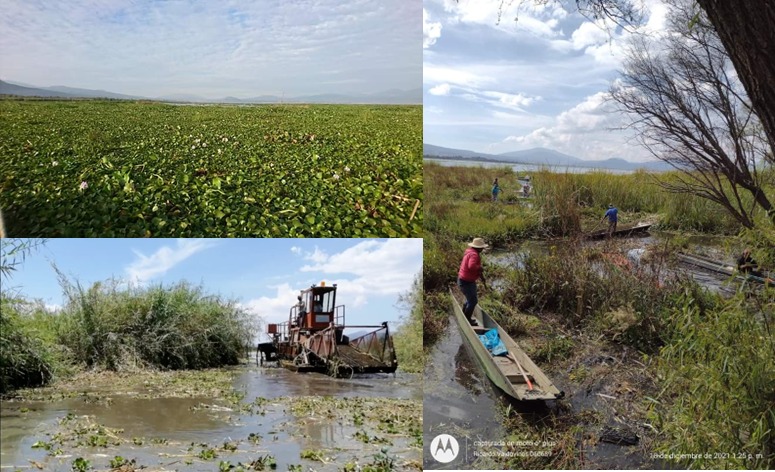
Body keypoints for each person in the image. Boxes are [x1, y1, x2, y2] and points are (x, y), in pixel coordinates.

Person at [458, 237, 489, 324]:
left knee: (470, 299)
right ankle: (467, 320)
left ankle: (464, 315)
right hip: (466, 281)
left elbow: (476, 270)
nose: (482, 249)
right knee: (473, 301)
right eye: (482, 247)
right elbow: (471, 266)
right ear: (478, 248)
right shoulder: (474, 255)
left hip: (465, 280)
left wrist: (482, 277)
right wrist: (480, 267)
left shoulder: (470, 252)